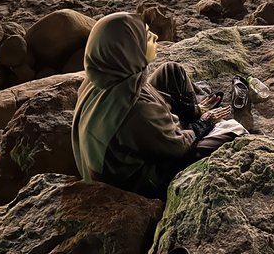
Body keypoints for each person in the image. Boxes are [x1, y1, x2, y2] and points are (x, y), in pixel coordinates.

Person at [71, 13, 243, 199]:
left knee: (171, 71)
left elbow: (147, 98)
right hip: (141, 180)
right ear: (129, 49)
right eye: (146, 36)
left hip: (140, 135)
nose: (155, 36)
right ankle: (220, 119)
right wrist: (202, 123)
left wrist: (194, 111)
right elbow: (178, 146)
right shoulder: (136, 109)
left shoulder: (107, 73)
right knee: (232, 132)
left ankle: (192, 111)